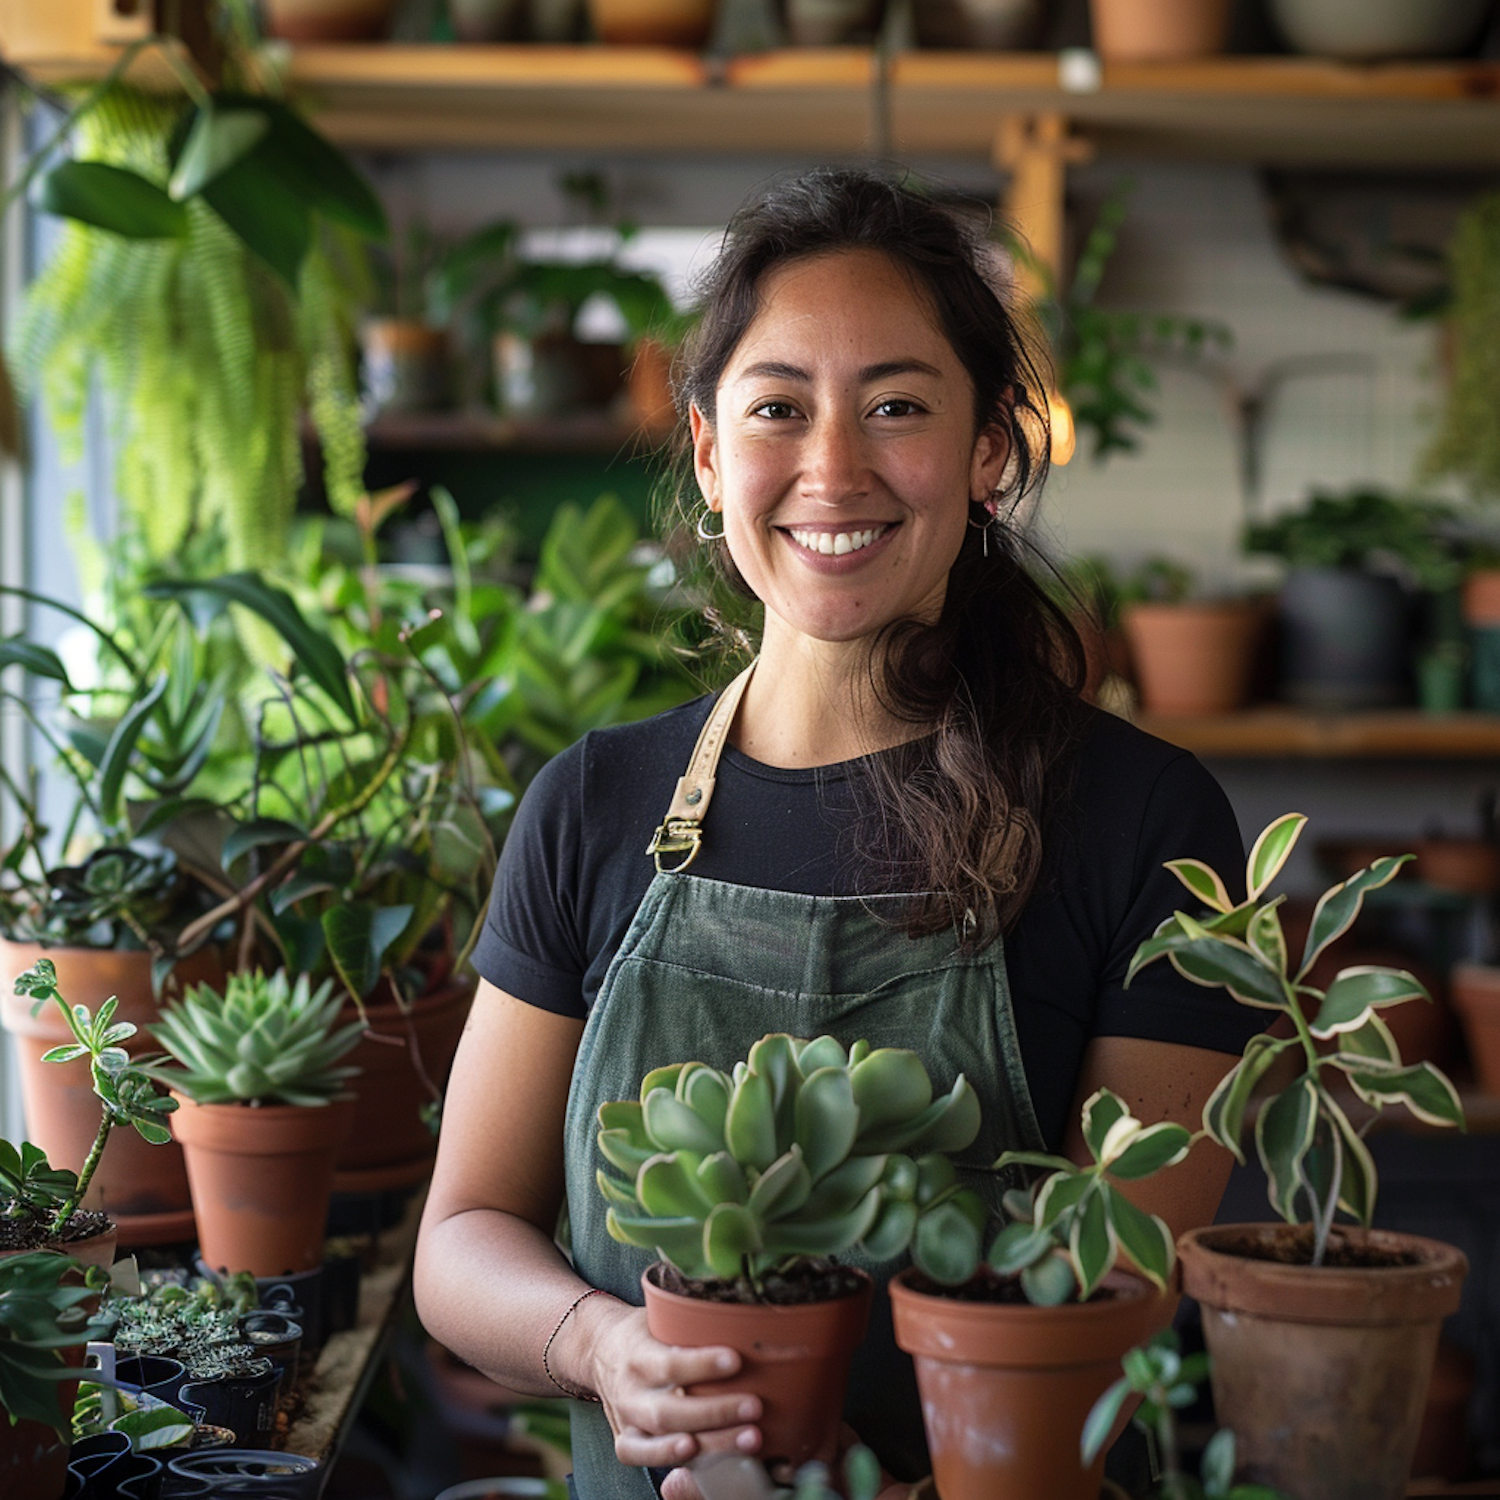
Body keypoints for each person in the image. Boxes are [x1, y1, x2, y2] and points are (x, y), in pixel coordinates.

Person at [414, 168, 1259, 1500]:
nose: (833, 468)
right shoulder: (592, 805)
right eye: (778, 410)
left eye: (899, 407)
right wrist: (605, 1348)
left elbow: (1125, 1283)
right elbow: (462, 1238)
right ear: (707, 452)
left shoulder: (1142, 819)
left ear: (989, 451)